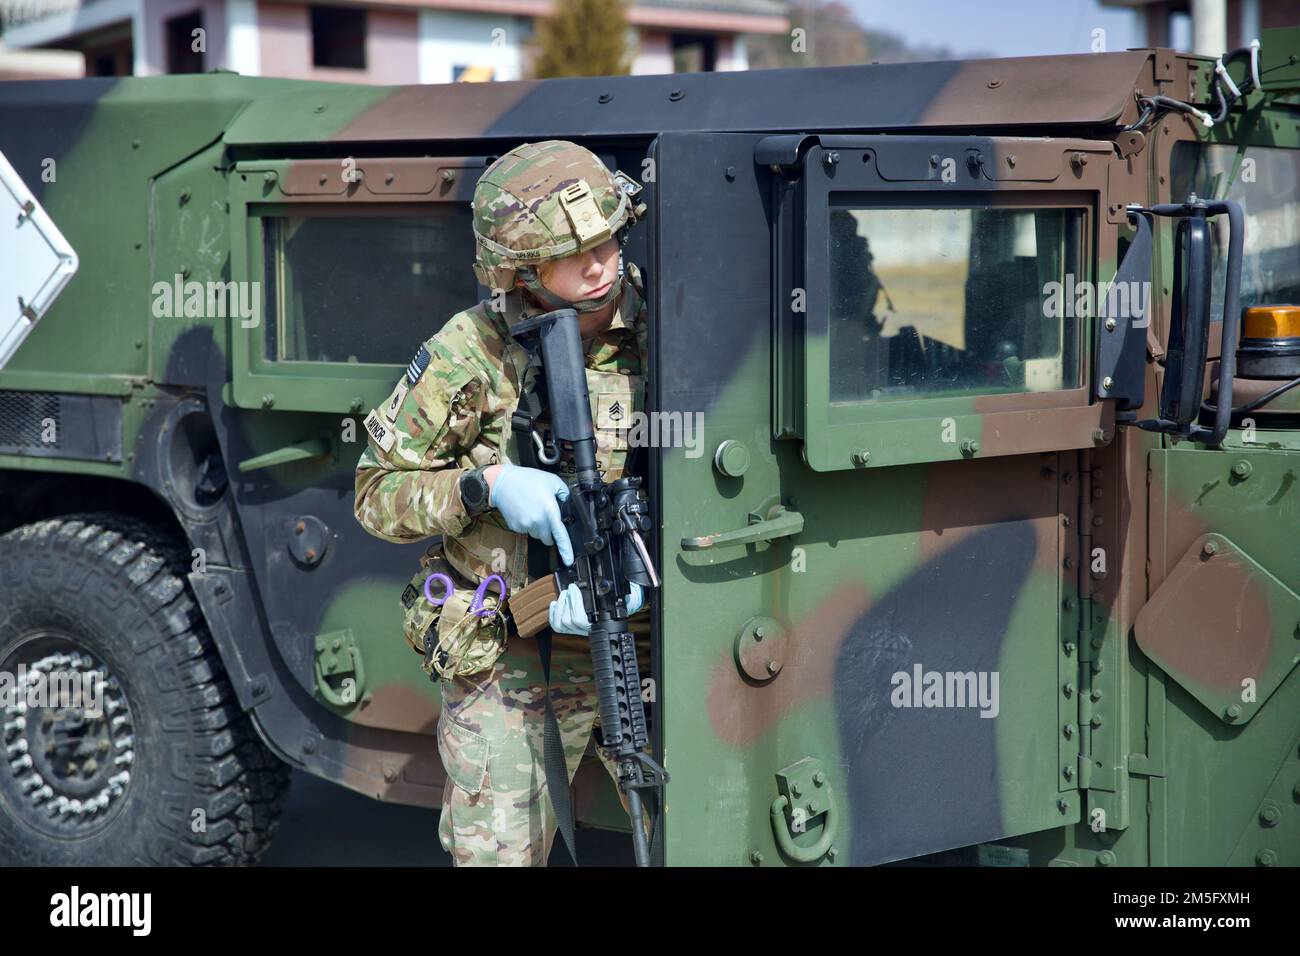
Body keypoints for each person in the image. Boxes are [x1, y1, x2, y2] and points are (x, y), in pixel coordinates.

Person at [353, 139, 653, 866]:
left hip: (641, 637)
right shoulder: (471, 352)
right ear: (521, 271)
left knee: (707, 824)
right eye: (572, 251)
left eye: (608, 237)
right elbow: (375, 493)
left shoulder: (666, 325)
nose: (599, 262)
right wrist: (483, 487)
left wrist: (649, 574)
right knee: (497, 854)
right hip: (511, 649)